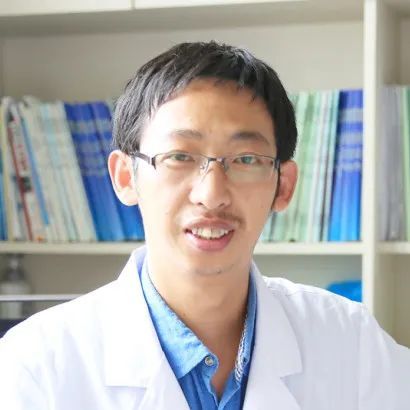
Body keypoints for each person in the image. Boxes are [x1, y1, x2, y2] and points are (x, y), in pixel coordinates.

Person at [0, 41, 409, 410]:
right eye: (180, 156)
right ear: (125, 177)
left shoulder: (352, 344)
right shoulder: (36, 366)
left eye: (246, 159)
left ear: (283, 186)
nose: (211, 195)